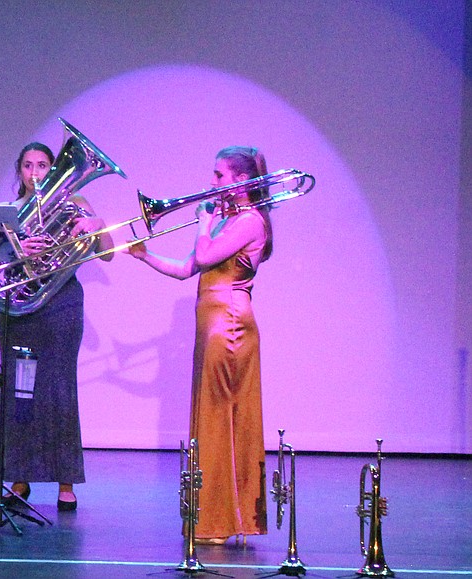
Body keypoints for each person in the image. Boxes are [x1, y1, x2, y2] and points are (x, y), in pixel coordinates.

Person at [127, 146, 272, 545]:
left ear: (242, 181)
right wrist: (143, 255)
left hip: (228, 326)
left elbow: (205, 252)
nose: (211, 184)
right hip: (212, 322)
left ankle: (222, 520)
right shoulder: (228, 221)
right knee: (210, 416)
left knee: (221, 417)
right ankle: (215, 516)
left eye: (219, 176)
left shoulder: (250, 221)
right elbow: (187, 269)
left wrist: (203, 222)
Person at [0, 142, 113, 511]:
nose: (35, 172)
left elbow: (108, 251)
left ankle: (66, 482)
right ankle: (20, 478)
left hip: (62, 305)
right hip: (21, 309)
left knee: (62, 389)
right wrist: (16, 247)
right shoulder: (11, 212)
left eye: (43, 165)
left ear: (54, 169)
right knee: (21, 392)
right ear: (19, 172)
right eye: (28, 165)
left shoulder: (76, 204)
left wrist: (97, 226)